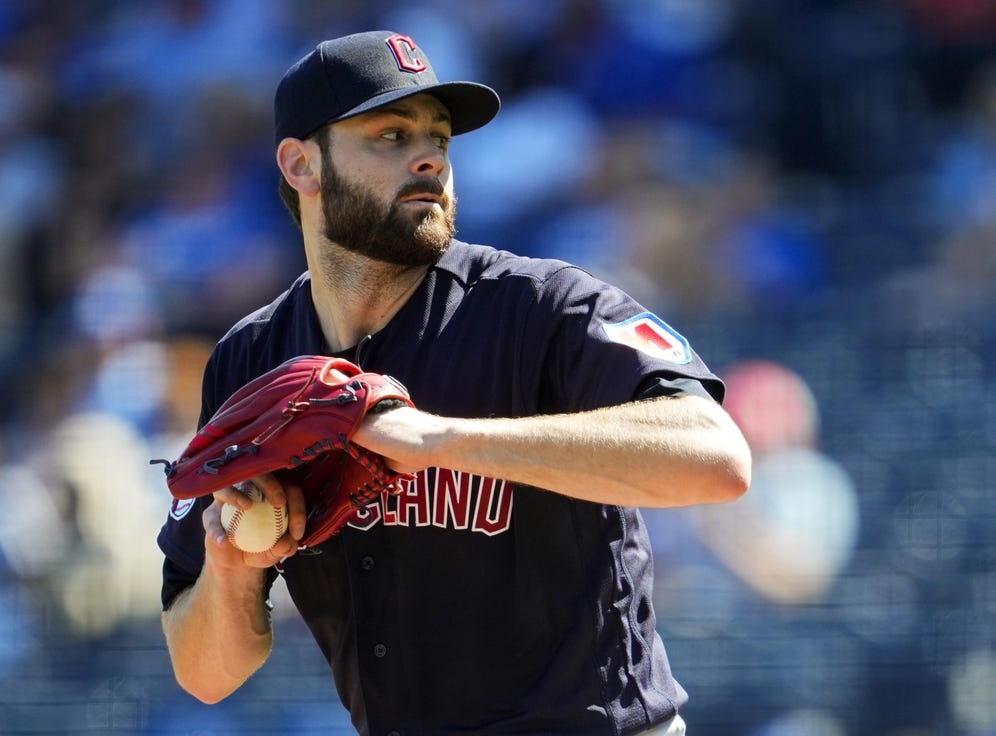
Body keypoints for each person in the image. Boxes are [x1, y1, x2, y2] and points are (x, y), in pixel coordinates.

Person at [157, 30, 752, 736]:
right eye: (389, 133)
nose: (429, 156)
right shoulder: (252, 361)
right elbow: (204, 673)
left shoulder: (541, 307)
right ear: (301, 164)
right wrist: (230, 566)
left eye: (439, 136)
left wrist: (438, 439)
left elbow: (719, 458)